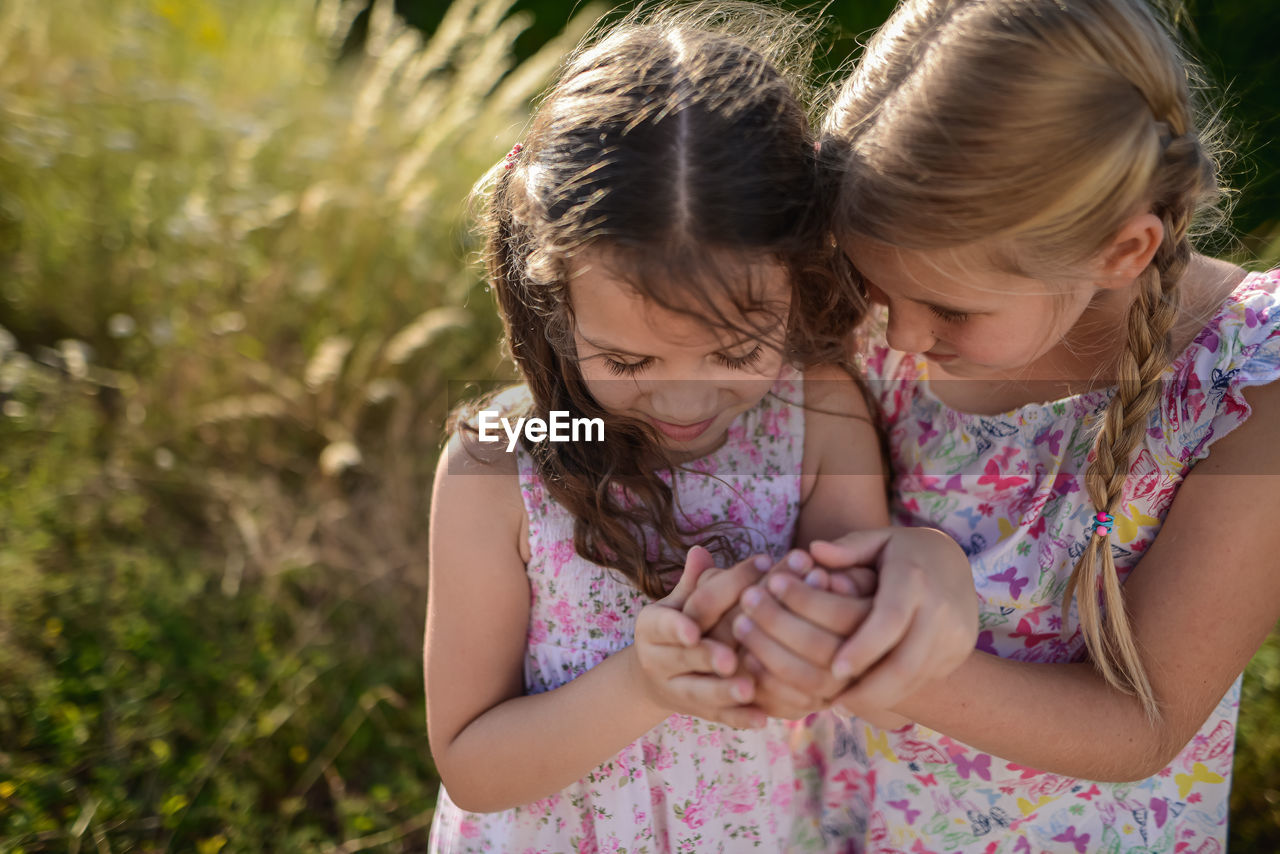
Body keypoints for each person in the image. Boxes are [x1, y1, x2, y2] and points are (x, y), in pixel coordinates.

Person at [649, 0, 1280, 850]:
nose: (901, 339)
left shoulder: (1247, 383)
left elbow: (1143, 724)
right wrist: (766, 613)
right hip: (833, 817)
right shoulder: (875, 316)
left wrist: (865, 661)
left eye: (950, 308)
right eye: (879, 291)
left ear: (1121, 251)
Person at [423, 7, 978, 853]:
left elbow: (856, 651)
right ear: (558, 313)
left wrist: (812, 632)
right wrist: (645, 683)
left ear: (799, 276)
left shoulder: (818, 418)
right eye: (631, 362)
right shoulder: (498, 466)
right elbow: (472, 763)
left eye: (734, 350)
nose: (684, 402)